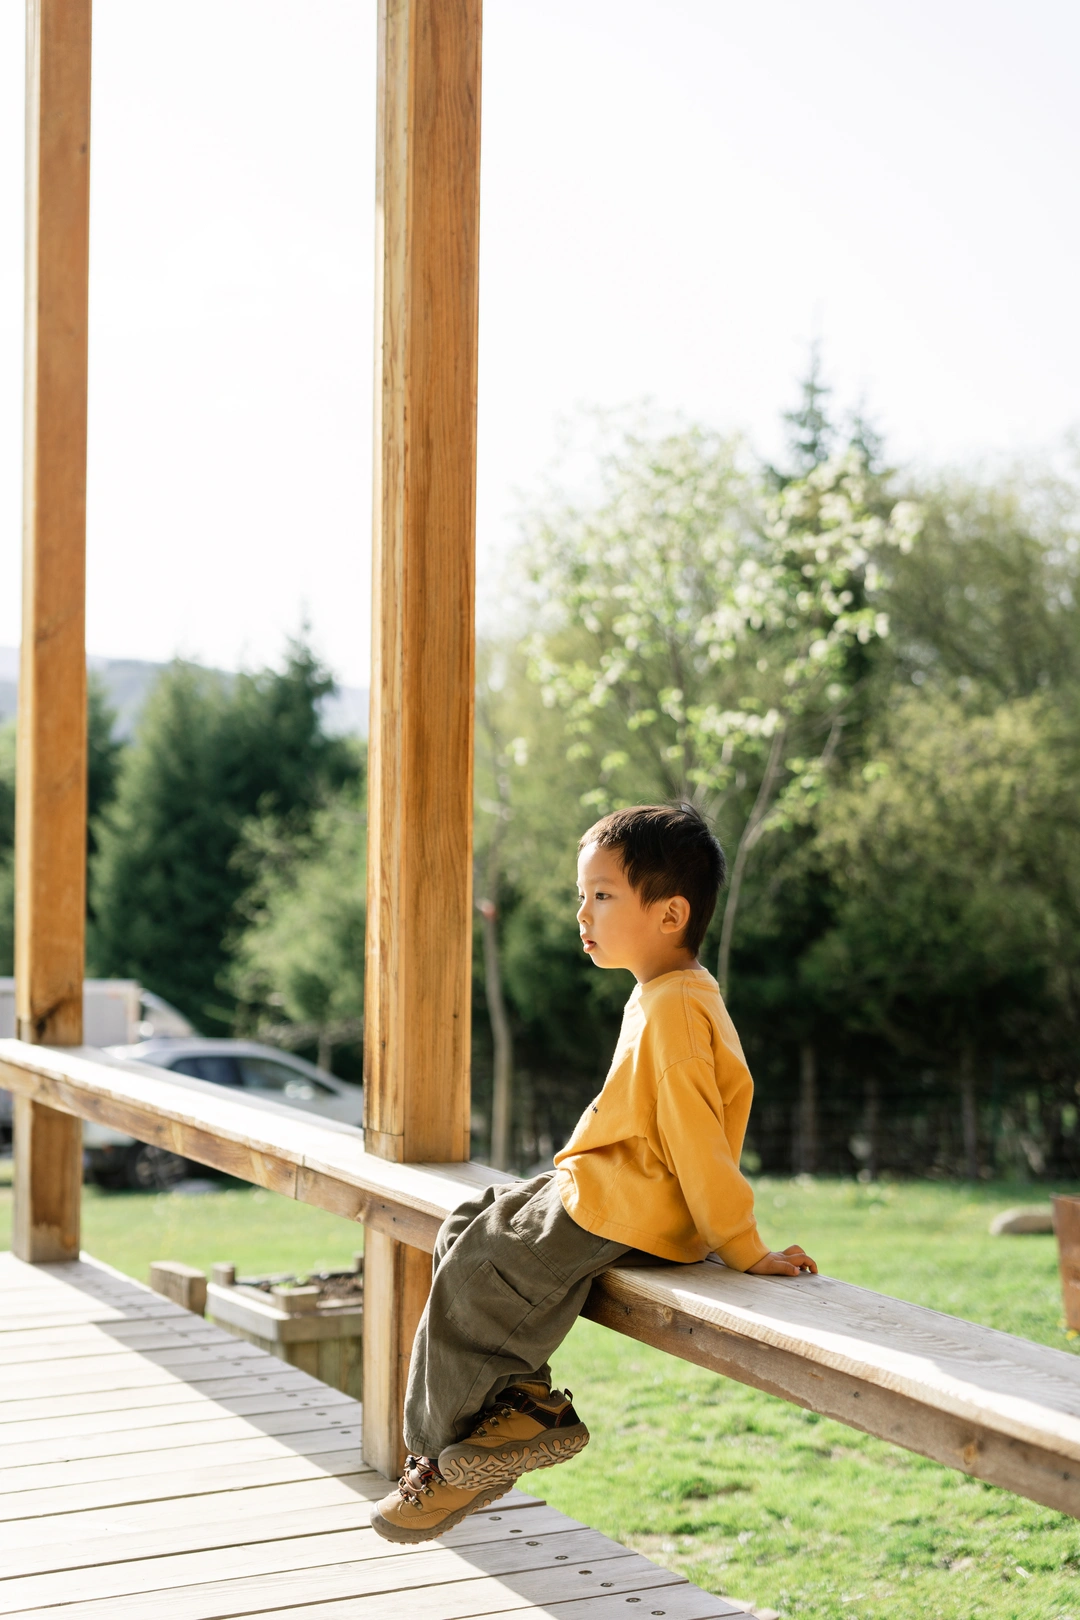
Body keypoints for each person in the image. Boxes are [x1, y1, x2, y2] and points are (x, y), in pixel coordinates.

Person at [371, 801, 817, 1543]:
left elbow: (696, 1137)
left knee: (480, 1271)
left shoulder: (675, 1007)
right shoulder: (664, 993)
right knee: (468, 1222)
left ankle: (445, 1466)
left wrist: (743, 1246)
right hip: (610, 1192)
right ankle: (510, 1412)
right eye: (583, 894)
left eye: (603, 894)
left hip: (623, 1206)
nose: (584, 912)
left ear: (670, 912)